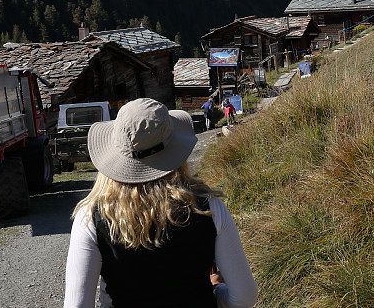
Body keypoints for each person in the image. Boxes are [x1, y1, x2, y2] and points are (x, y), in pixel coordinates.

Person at [64, 98, 257, 308]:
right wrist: (216, 293)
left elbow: (76, 305)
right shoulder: (209, 207)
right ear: (175, 148)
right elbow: (244, 297)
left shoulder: (90, 217)